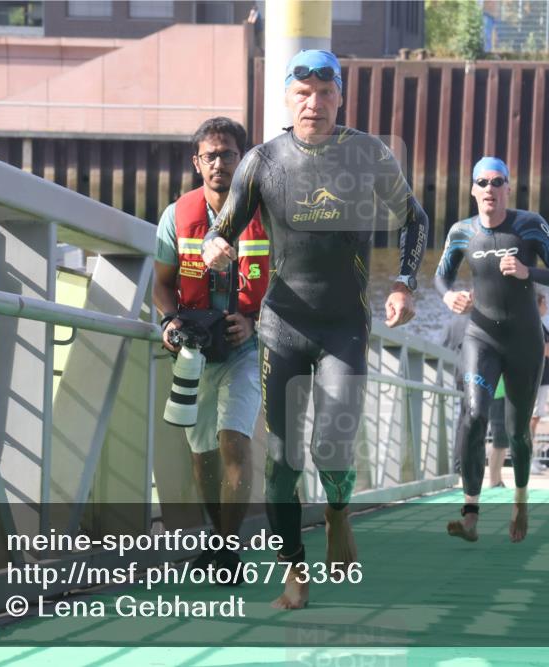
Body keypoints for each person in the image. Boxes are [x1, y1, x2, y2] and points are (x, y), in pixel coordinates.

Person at [201, 49, 428, 609]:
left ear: (340, 97)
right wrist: (215, 248)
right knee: (282, 459)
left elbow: (414, 220)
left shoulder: (368, 155)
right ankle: (293, 573)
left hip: (345, 325)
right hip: (282, 324)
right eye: (302, 93)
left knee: (333, 444)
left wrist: (403, 283)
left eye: (325, 93)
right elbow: (221, 227)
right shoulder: (263, 161)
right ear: (286, 98)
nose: (314, 103)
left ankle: (337, 511)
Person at [152, 117, 268, 582]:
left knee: (233, 440)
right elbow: (161, 284)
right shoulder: (176, 216)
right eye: (211, 155)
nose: (220, 163)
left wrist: (253, 319)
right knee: (201, 454)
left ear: (244, 160)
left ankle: (228, 553)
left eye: (229, 154)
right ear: (197, 162)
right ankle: (218, 545)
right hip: (195, 352)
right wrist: (169, 319)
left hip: (248, 347)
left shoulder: (267, 214)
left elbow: (288, 282)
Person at [435, 156, 549, 544]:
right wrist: (449, 298)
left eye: (498, 182)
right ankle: (470, 512)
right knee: (474, 415)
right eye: (483, 182)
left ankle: (520, 503)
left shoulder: (529, 225)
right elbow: (441, 277)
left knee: (517, 432)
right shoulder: (462, 232)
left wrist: (530, 272)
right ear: (473, 190)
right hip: (481, 335)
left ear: (508, 188)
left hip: (524, 339)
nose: (490, 189)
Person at [440, 311, 508, 488]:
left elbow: (443, 347)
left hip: (460, 375)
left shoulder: (452, 323)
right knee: (479, 421)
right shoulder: (485, 319)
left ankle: (459, 466)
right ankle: (473, 470)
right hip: (482, 377)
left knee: (465, 421)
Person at [530, 291, 549, 474]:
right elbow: (544, 350)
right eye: (544, 303)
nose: (546, 307)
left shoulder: (540, 324)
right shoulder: (531, 324)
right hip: (535, 378)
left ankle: (533, 457)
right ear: (537, 304)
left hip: (543, 377)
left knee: (536, 419)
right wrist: (546, 348)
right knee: (531, 420)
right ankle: (528, 460)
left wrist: (546, 348)